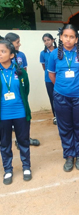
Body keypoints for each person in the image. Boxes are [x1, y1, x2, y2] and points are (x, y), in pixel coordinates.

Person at [47, 24, 79, 172]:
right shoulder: (54, 55)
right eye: (66, 36)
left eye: (72, 37)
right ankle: (69, 155)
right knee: (65, 127)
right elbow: (51, 75)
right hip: (61, 96)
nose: (68, 39)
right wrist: (63, 87)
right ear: (60, 37)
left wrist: (75, 87)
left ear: (76, 39)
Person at [0, 40, 32, 185]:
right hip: (3, 114)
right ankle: (8, 169)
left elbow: (26, 90)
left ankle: (26, 167)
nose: (0, 54)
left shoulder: (20, 71)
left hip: (20, 112)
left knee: (23, 140)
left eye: (3, 51)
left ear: (11, 54)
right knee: (5, 143)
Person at [5, 32, 40, 147]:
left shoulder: (21, 56)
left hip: (20, 92)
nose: (19, 44)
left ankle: (24, 139)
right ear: (10, 43)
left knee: (23, 118)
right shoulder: (3, 57)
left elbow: (25, 72)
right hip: (7, 96)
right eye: (17, 42)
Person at [40, 33, 57, 125]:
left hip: (59, 79)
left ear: (53, 40)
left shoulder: (59, 51)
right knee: (52, 98)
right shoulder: (43, 53)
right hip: (48, 79)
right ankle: (55, 116)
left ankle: (62, 115)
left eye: (48, 40)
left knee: (61, 97)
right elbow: (44, 67)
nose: (47, 42)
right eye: (45, 41)